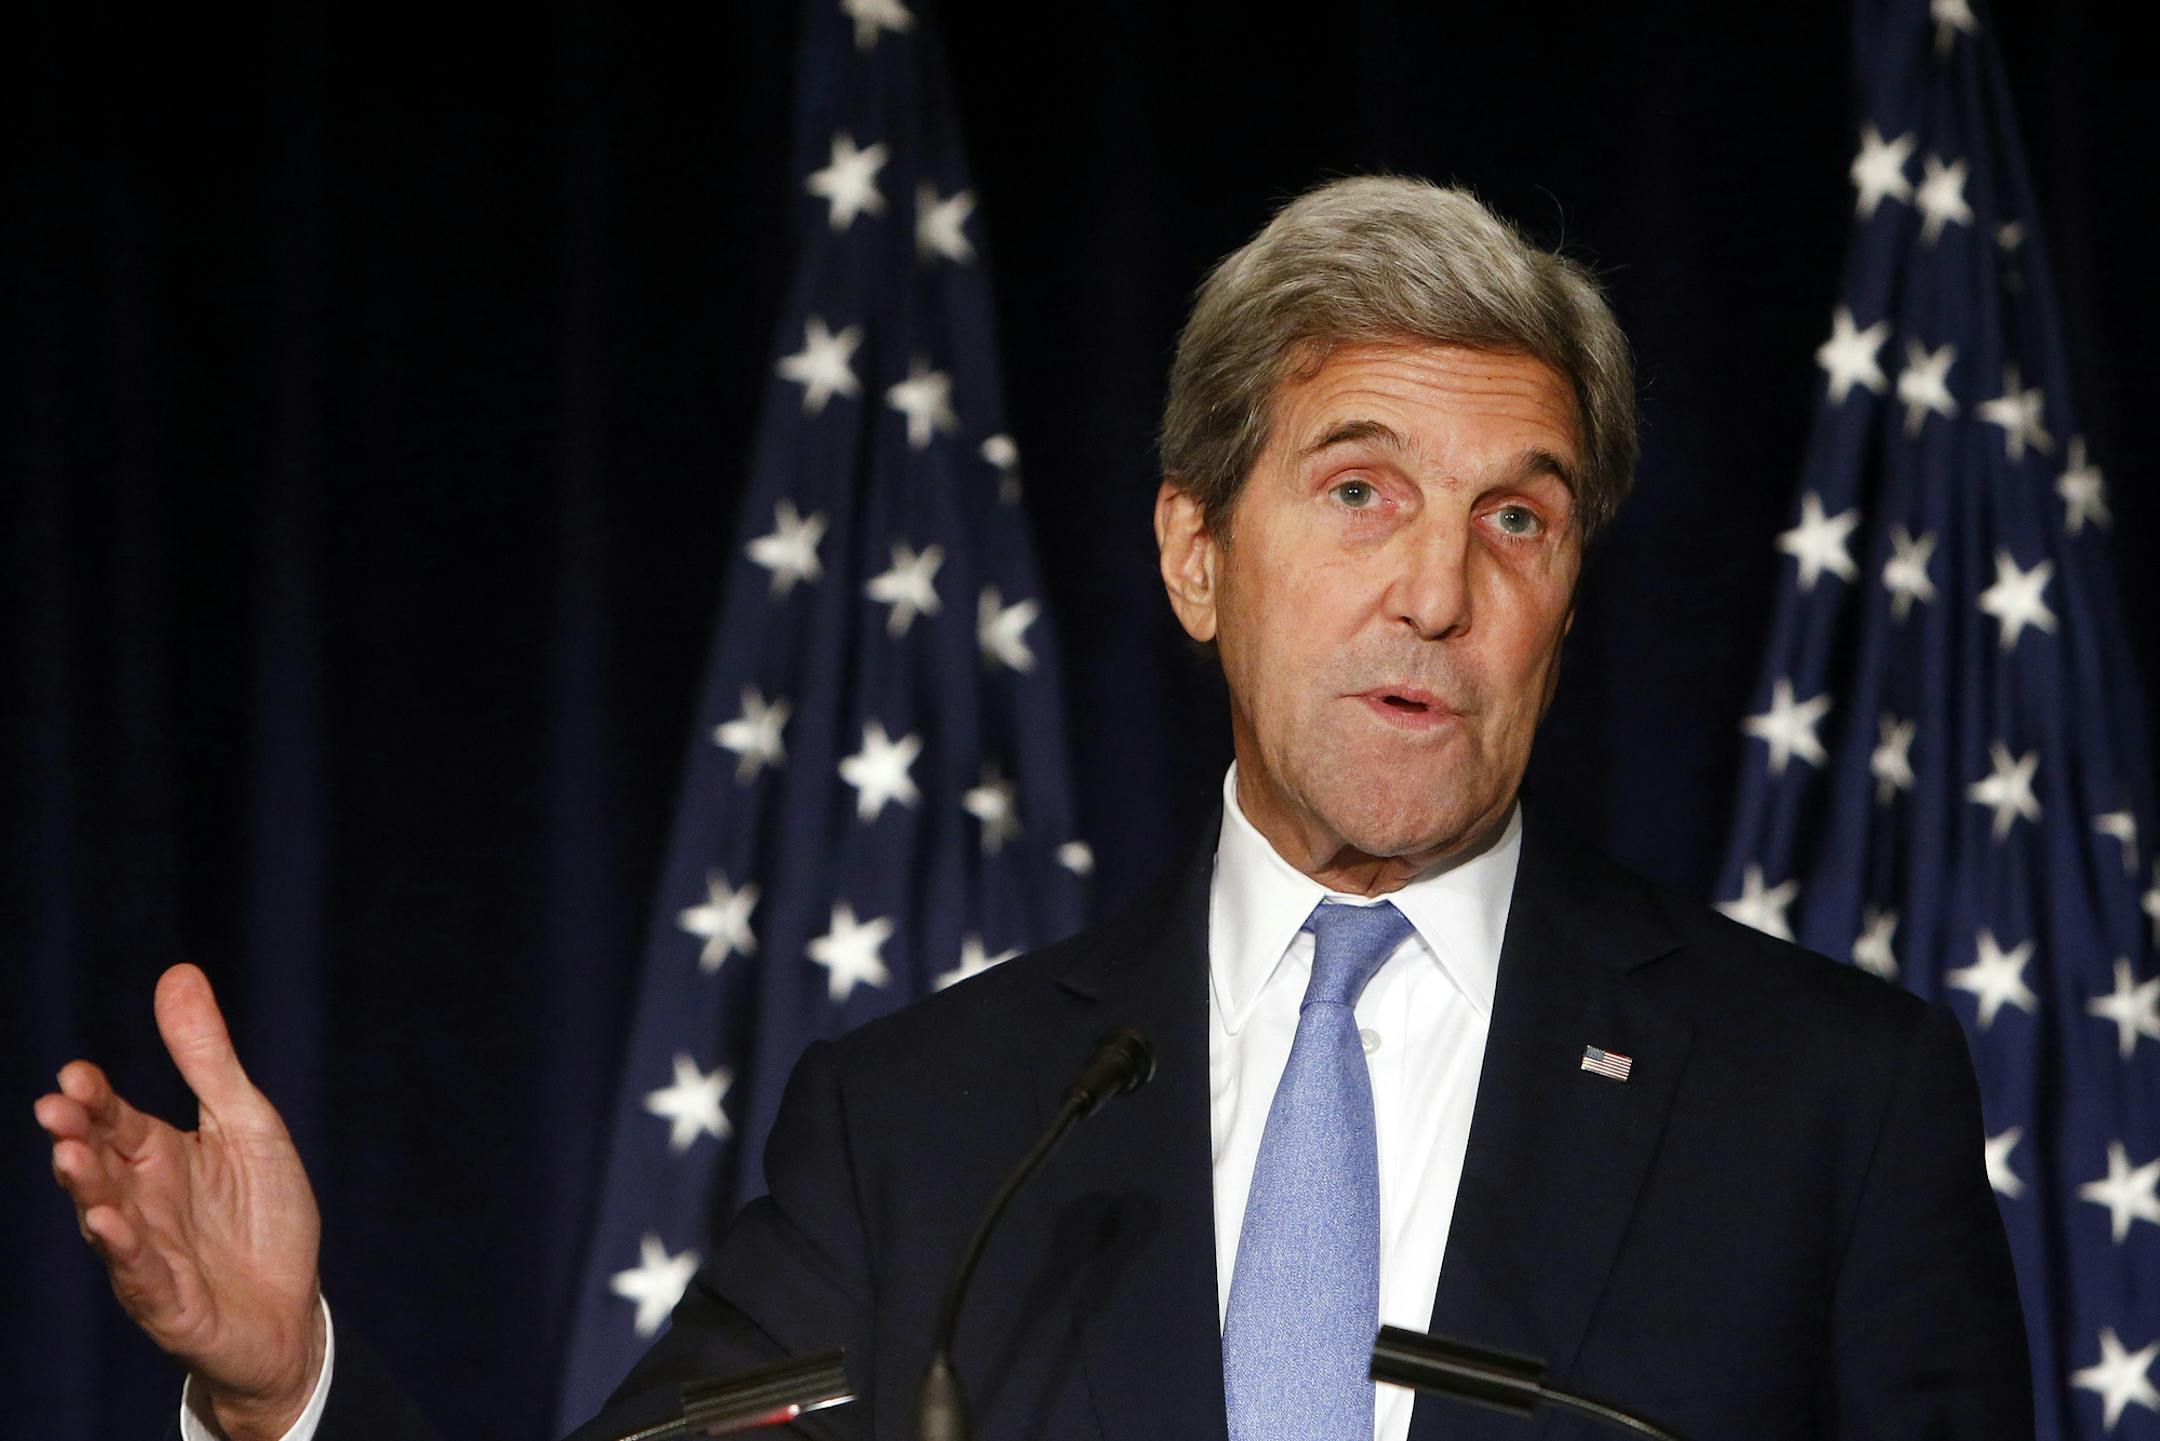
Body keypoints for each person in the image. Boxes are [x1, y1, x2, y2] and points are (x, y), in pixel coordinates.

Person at [37, 176, 2034, 1441]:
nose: (1441, 585)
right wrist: (282, 1383)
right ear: (1194, 555)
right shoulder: (932, 1131)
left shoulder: (1825, 1110)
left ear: (1569, 593)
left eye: (1516, 515)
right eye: (1358, 491)